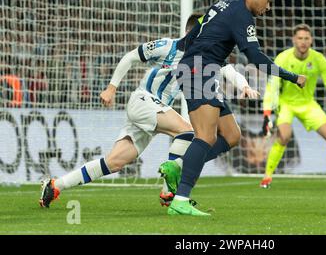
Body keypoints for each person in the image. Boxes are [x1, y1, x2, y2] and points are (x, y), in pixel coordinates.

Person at [39, 14, 258, 208]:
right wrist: (112, 87)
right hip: (144, 100)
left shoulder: (207, 56)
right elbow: (131, 57)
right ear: (190, 33)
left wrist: (245, 86)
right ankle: (168, 192)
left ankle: (55, 185)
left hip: (157, 110)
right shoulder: (168, 46)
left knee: (114, 162)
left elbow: (228, 70)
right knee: (188, 132)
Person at [169, 0, 306, 216]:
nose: (268, 7)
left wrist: (185, 57)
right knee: (205, 137)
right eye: (268, 0)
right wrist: (292, 77)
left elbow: (194, 32)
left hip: (203, 68)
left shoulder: (225, 2)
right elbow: (255, 58)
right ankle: (180, 199)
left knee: (232, 135)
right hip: (199, 69)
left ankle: (179, 165)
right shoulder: (242, 14)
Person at [260, 24, 326, 188]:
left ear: (311, 41)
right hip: (286, 103)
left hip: (308, 104)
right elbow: (272, 86)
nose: (303, 42)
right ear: (294, 40)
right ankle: (267, 177)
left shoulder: (318, 59)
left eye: (306, 38)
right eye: (300, 38)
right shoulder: (283, 58)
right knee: (284, 136)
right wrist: (267, 113)